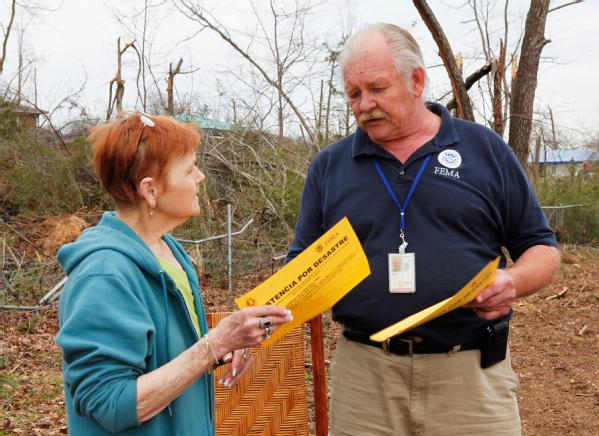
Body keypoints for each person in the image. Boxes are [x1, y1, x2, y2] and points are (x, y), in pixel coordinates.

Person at [287, 23, 560, 435]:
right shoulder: (331, 166)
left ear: (416, 81)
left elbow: (541, 247)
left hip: (469, 376)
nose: (365, 105)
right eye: (354, 94)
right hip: (365, 380)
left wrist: (513, 281)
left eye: (377, 89)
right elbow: (301, 266)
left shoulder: (482, 150)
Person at [56, 113, 292, 435]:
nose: (201, 177)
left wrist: (220, 348)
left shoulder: (167, 250)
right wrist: (213, 344)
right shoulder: (103, 275)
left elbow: (168, 355)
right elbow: (109, 404)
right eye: (189, 168)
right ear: (150, 190)